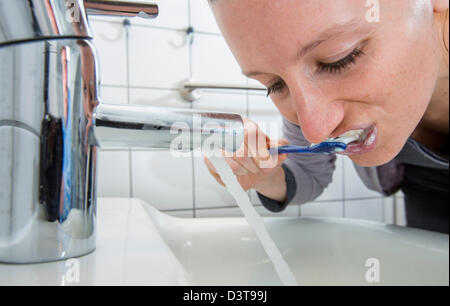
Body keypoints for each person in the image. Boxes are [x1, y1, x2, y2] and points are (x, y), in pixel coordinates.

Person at [203, 0, 449, 234]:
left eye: (339, 60)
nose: (315, 131)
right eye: (275, 85)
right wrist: (264, 175)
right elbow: (306, 172)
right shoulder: (308, 100)